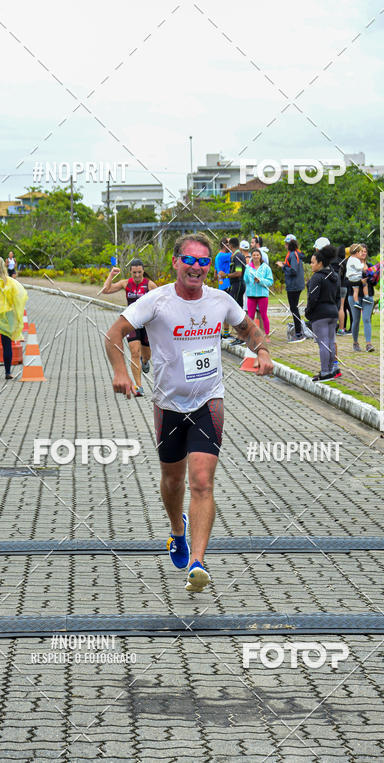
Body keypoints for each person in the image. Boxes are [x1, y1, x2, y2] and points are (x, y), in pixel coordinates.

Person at [104, 233, 273, 593]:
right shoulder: (156, 301)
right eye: (190, 260)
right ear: (176, 263)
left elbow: (249, 329)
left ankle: (197, 562)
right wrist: (121, 371)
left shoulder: (220, 301)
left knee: (201, 480)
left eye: (204, 261)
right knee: (173, 480)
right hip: (167, 405)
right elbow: (113, 334)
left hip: (209, 401)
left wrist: (262, 352)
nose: (197, 267)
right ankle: (177, 531)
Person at [100, 259, 158, 398]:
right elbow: (106, 290)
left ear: (143, 271)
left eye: (139, 272)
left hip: (146, 325)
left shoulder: (150, 285)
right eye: (134, 272)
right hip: (131, 323)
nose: (137, 275)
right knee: (134, 352)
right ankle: (139, 386)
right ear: (130, 272)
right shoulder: (126, 283)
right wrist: (111, 275)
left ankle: (145, 362)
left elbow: (160, 304)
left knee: (146, 355)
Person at [0, 256, 27, 380]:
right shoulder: (9, 282)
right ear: (4, 266)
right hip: (6, 316)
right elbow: (19, 296)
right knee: (6, 344)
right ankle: (8, 372)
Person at [305, 244, 340, 381]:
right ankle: (331, 369)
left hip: (320, 314)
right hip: (332, 312)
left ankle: (325, 372)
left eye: (313, 262)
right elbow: (337, 297)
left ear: (320, 263)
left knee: (323, 344)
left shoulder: (317, 277)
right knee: (330, 342)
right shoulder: (334, 276)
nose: (311, 265)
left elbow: (313, 298)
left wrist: (308, 312)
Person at [346, 243, 375, 352]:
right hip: (354, 296)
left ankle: (368, 344)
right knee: (356, 320)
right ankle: (355, 342)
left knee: (367, 319)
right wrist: (360, 281)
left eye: (365, 251)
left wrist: (372, 277)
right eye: (361, 251)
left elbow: (374, 281)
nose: (363, 253)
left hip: (368, 296)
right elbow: (347, 281)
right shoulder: (351, 263)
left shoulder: (370, 265)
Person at [276, 237, 305, 342]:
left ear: (288, 244)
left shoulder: (293, 255)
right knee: (294, 308)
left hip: (294, 285)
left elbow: (293, 270)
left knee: (294, 308)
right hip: (296, 284)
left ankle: (298, 333)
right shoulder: (296, 254)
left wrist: (283, 266)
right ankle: (298, 331)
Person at [243, 248, 274, 335]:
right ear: (251, 256)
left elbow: (270, 282)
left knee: (263, 315)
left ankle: (266, 334)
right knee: (250, 317)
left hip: (262, 295)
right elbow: (245, 280)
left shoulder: (266, 268)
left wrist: (260, 280)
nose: (256, 257)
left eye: (257, 255)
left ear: (260, 256)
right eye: (254, 255)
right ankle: (250, 335)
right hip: (251, 295)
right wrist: (247, 273)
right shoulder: (248, 267)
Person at [227, 238, 247, 342]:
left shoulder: (238, 256)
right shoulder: (236, 255)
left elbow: (238, 273)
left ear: (230, 245)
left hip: (238, 284)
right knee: (237, 310)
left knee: (236, 310)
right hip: (236, 284)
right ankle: (241, 335)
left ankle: (242, 336)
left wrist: (226, 275)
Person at [214, 238, 233, 339]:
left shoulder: (217, 256)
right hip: (226, 284)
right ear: (225, 245)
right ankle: (225, 333)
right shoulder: (225, 256)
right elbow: (236, 254)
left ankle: (224, 331)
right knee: (227, 310)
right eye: (229, 244)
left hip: (221, 284)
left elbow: (215, 272)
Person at [336, 245, 352, 335]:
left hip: (339, 286)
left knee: (340, 307)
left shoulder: (337, 262)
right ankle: (342, 328)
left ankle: (340, 328)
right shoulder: (346, 262)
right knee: (343, 307)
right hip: (345, 286)